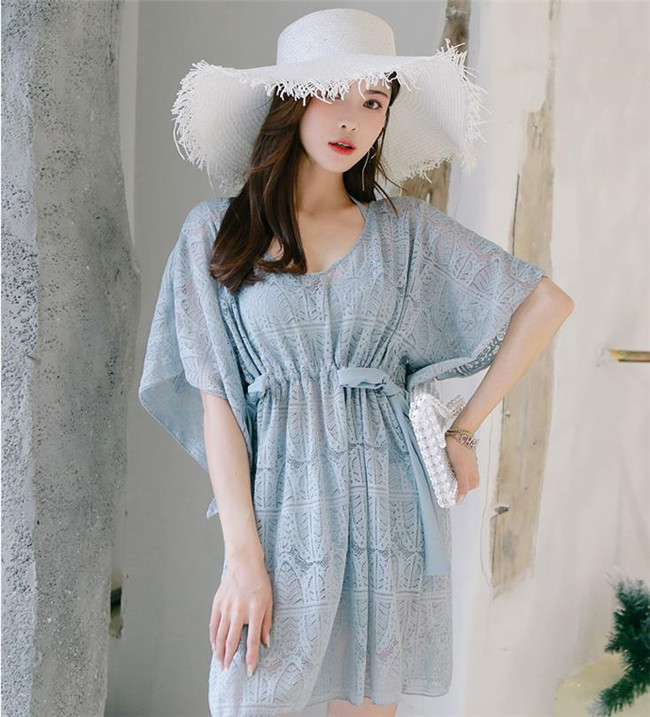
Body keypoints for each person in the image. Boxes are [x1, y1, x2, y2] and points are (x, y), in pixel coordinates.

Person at [138, 8, 574, 716]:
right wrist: (242, 556)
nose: (353, 120)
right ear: (291, 102)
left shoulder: (404, 232)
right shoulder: (215, 232)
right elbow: (219, 400)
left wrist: (464, 430)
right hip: (282, 508)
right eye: (333, 94)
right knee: (248, 696)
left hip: (386, 502)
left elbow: (545, 303)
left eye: (373, 102)